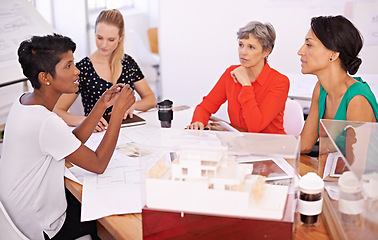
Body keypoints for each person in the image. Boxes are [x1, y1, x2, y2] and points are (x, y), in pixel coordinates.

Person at [0, 34, 135, 240]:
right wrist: (117, 113)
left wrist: (101, 105)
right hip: (40, 227)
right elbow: (98, 164)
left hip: (17, 218)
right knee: (108, 222)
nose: (77, 71)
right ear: (45, 77)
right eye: (68, 66)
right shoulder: (45, 121)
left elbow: (68, 143)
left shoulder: (25, 102)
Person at [54, 9, 156, 132]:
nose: (104, 45)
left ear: (120, 37)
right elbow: (57, 110)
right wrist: (85, 121)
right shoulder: (83, 69)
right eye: (100, 38)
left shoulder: (128, 63)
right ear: (95, 33)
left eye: (111, 40)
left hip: (130, 132)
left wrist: (133, 106)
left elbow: (151, 99)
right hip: (98, 136)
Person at [187, 21, 290, 134]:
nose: (243, 52)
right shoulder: (231, 73)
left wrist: (246, 85)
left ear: (266, 52)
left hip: (272, 147)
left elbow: (255, 127)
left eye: (251, 47)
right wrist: (198, 121)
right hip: (240, 145)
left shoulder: (280, 82)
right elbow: (205, 107)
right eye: (241, 45)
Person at [298, 15, 378, 154]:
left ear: (333, 55)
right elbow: (304, 144)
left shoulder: (357, 99)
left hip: (363, 174)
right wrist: (255, 146)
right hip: (334, 171)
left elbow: (357, 164)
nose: (300, 51)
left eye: (309, 44)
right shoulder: (321, 88)